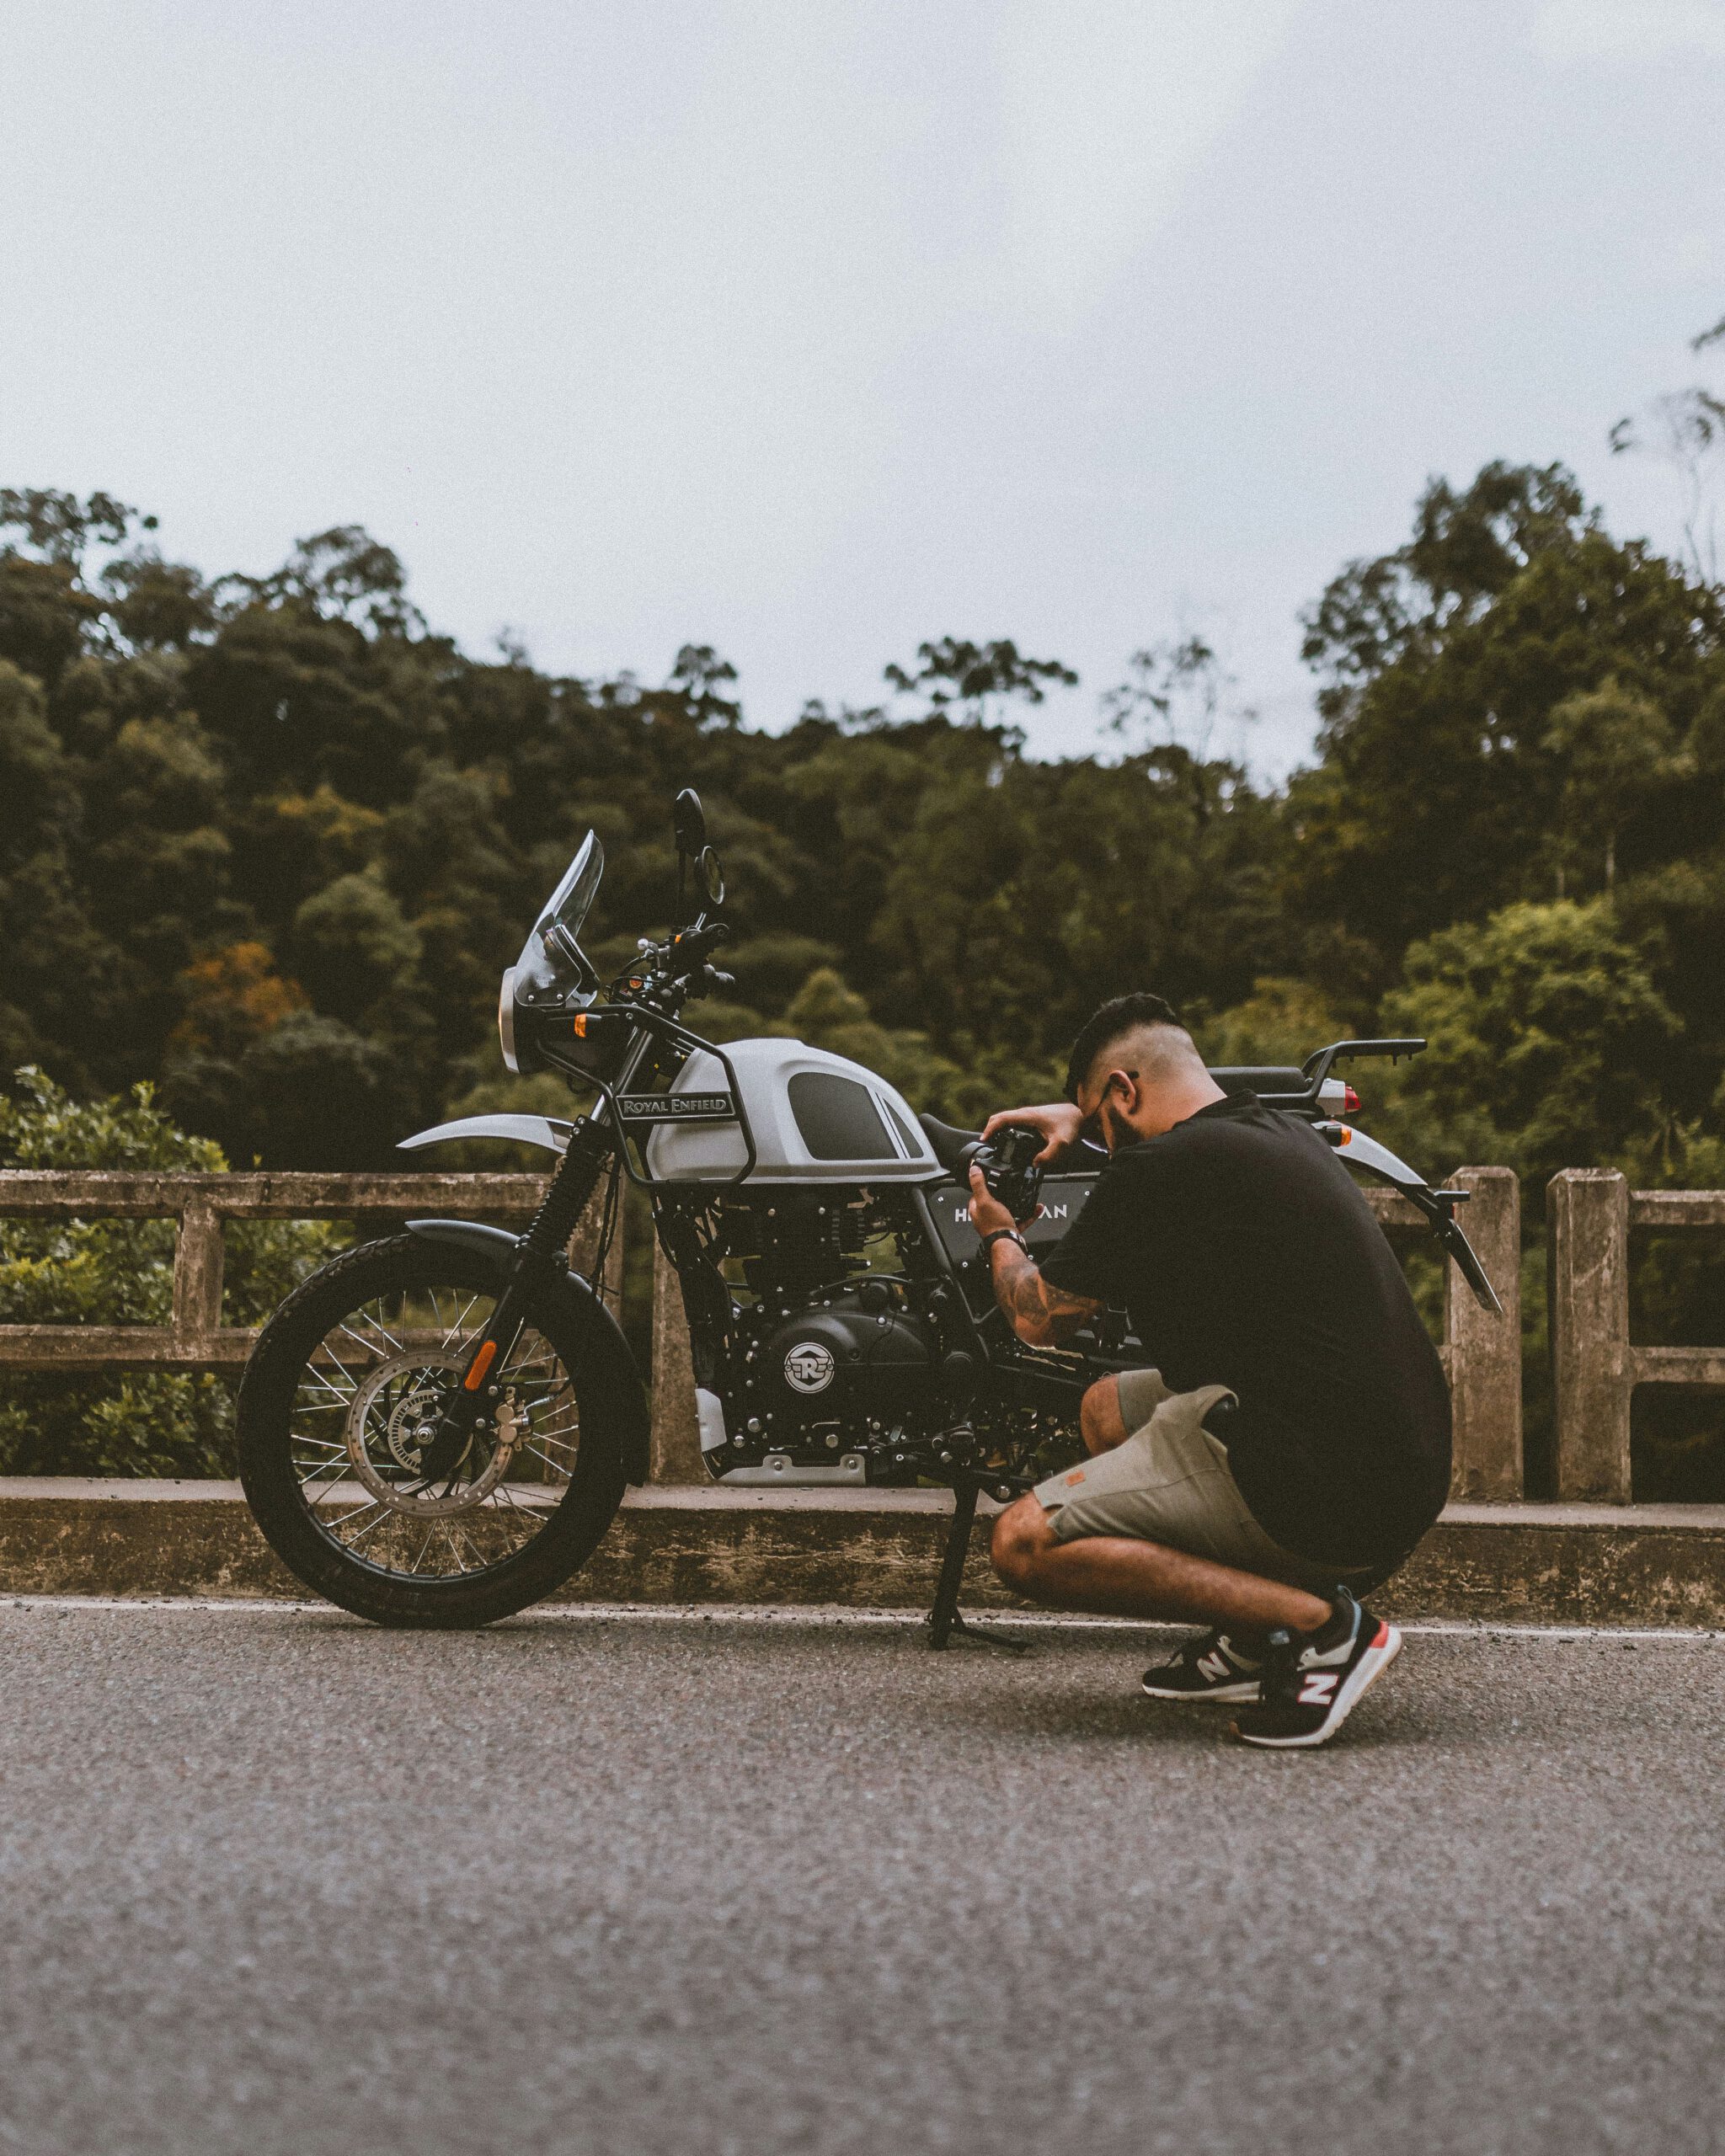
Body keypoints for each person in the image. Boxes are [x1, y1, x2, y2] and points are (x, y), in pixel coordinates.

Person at [966, 992, 1450, 1748]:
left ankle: (1323, 1629)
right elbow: (1166, 1109)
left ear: (1125, 1092)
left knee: (1021, 1544)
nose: (1101, 1141)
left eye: (1099, 1119)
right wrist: (1083, 1118)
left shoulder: (1160, 1169)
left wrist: (999, 1234)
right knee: (1105, 1407)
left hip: (1327, 1494)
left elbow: (1035, 1319)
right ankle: (1253, 1640)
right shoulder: (1271, 1129)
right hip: (1393, 1475)